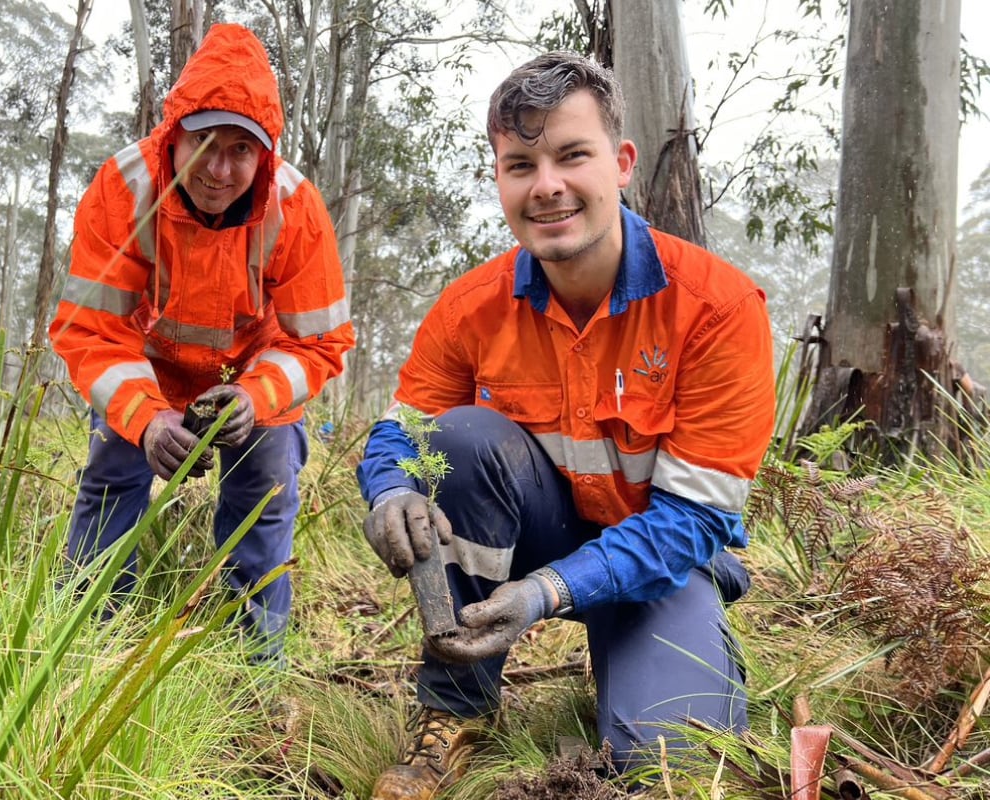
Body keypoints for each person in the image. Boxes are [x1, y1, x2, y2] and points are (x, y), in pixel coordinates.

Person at [356, 51, 775, 798]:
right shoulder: (470, 307)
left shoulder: (715, 308)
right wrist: (389, 493)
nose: (545, 186)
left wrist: (549, 591)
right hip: (538, 531)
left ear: (620, 163)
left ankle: (665, 664)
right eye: (520, 164)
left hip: (663, 564)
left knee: (672, 762)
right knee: (459, 440)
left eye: (570, 155)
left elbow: (691, 522)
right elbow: (402, 435)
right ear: (500, 180)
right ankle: (456, 707)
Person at [50, 23, 355, 665]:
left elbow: (320, 343)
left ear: (265, 153)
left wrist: (254, 397)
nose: (218, 170)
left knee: (266, 485)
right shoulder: (123, 189)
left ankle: (255, 668)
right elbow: (90, 331)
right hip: (146, 368)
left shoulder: (294, 210)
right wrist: (146, 417)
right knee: (113, 469)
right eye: (204, 143)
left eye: (240, 150)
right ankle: (83, 645)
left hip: (251, 376)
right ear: (174, 134)